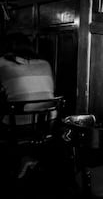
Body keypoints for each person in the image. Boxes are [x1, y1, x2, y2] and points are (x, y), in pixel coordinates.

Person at [0, 33, 55, 178]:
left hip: (17, 128)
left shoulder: (2, 62)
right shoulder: (45, 64)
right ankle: (29, 158)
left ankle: (17, 161)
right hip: (47, 124)